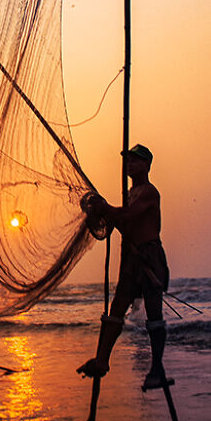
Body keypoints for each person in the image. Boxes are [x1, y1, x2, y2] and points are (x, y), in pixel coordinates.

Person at [77, 144, 170, 390]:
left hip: (148, 256)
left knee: (154, 312)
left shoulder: (149, 192)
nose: (130, 165)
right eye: (128, 161)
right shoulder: (130, 194)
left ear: (147, 165)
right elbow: (124, 223)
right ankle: (102, 361)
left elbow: (128, 216)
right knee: (117, 307)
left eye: (136, 161)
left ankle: (157, 368)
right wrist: (106, 212)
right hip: (131, 257)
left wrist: (106, 209)